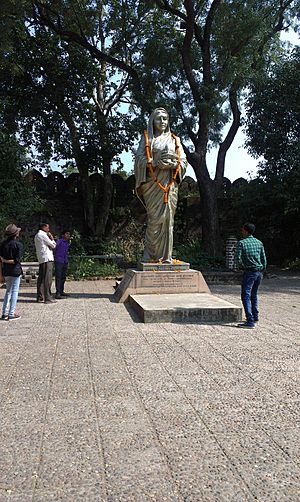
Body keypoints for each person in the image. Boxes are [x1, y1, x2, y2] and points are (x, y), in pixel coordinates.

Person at [134, 107, 187, 263]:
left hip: (170, 186)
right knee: (155, 221)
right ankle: (150, 256)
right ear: (152, 121)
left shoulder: (175, 140)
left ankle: (166, 257)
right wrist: (154, 163)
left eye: (165, 118)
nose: (162, 122)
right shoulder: (147, 139)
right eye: (159, 118)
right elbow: (139, 159)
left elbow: (183, 161)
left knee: (168, 220)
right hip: (153, 185)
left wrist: (173, 164)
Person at [235, 223, 267, 329]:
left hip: (249, 272)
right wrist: (262, 269)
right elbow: (264, 259)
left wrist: (243, 267)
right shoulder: (259, 243)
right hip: (259, 272)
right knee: (254, 294)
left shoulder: (241, 243)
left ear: (245, 231)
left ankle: (250, 320)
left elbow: (237, 259)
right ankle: (255, 316)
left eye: (242, 229)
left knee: (245, 295)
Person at [0, 224, 23, 320]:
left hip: (6, 270)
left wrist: (4, 261)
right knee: (14, 292)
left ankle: (4, 312)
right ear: (16, 234)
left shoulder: (2, 244)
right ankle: (11, 313)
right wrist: (6, 261)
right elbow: (16, 260)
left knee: (8, 291)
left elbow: (0, 258)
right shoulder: (18, 245)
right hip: (15, 271)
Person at [34, 223, 56, 303]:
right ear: (43, 227)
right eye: (47, 227)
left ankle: (40, 296)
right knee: (47, 278)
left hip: (42, 258)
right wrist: (52, 238)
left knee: (41, 278)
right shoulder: (43, 235)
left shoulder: (37, 235)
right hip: (47, 258)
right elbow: (53, 245)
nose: (48, 229)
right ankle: (48, 297)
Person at [54, 230, 71, 299]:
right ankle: (57, 292)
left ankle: (61, 291)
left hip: (65, 261)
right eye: (67, 234)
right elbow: (54, 248)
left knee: (63, 277)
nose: (68, 235)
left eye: (69, 234)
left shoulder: (68, 242)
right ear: (63, 235)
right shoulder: (59, 241)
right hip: (59, 261)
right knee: (58, 277)